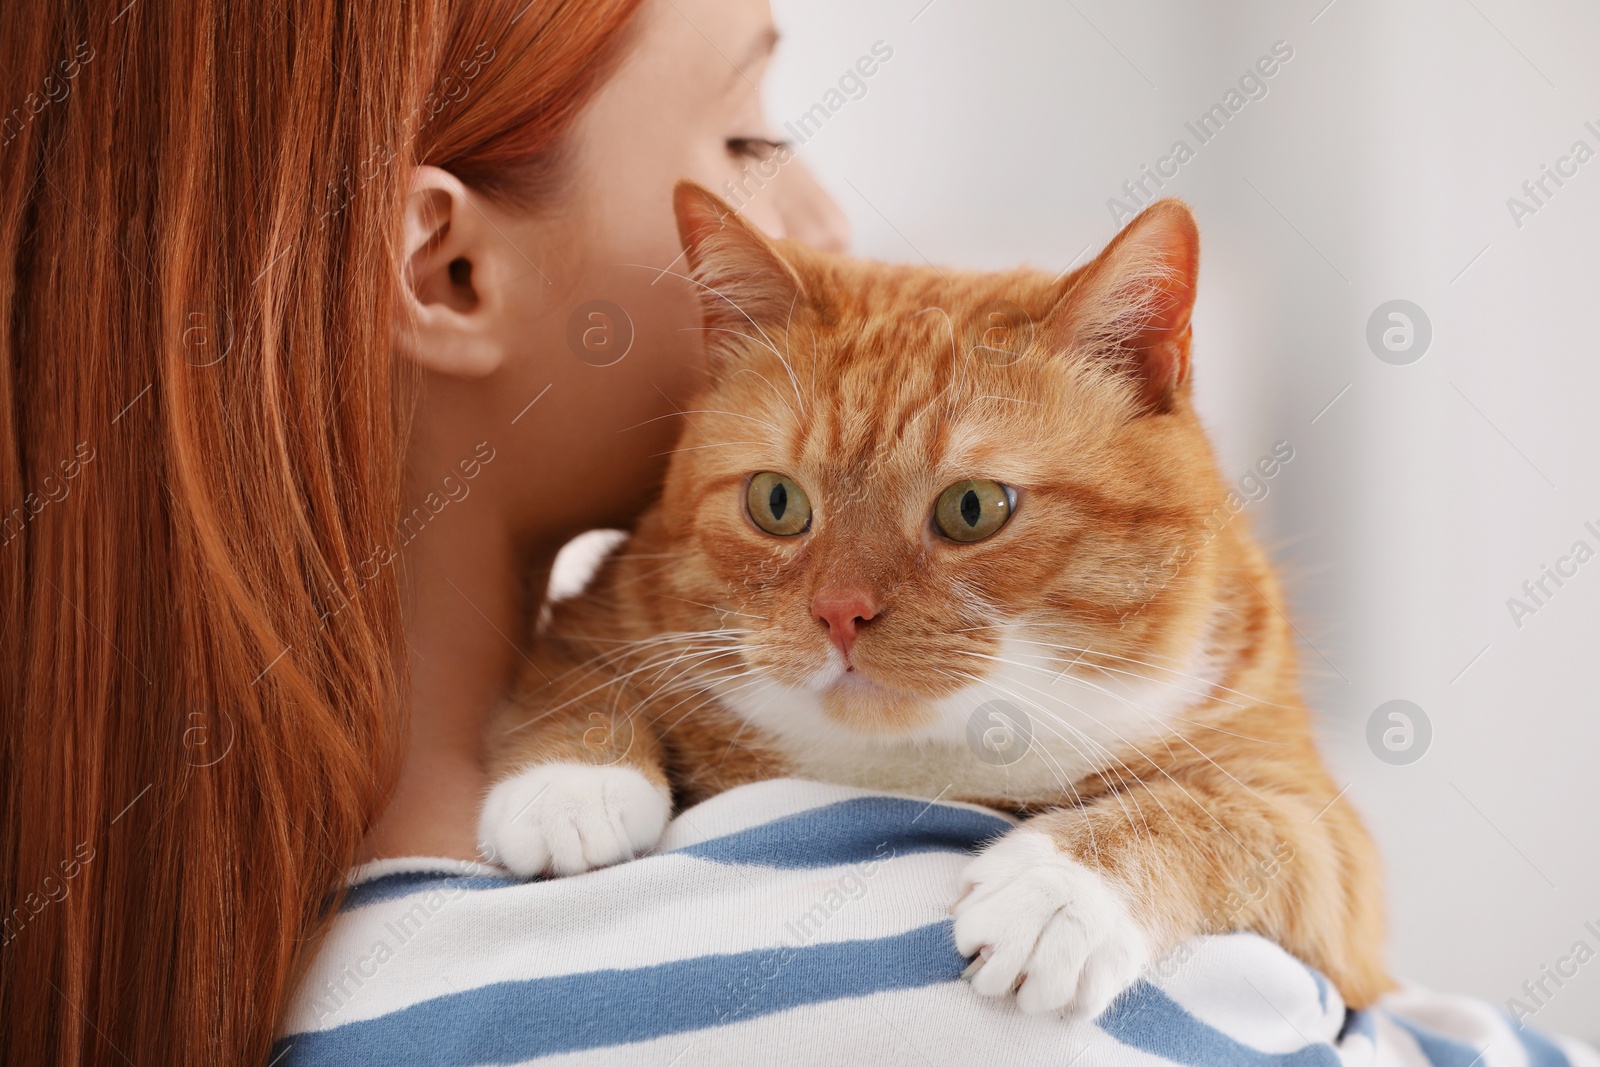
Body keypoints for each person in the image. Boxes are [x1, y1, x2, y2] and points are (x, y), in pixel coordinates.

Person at [3, 1, 1596, 1064]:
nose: (826, 224)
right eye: (754, 139)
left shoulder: (227, 967)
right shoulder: (952, 987)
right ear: (445, 270)